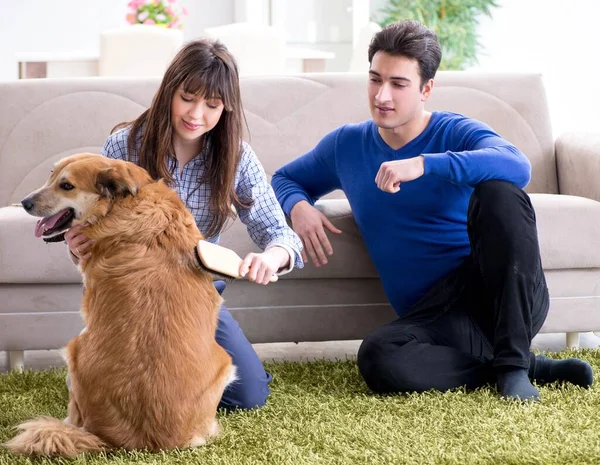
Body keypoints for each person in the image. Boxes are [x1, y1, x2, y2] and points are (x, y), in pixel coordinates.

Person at [271, 20, 593, 401]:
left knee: (500, 194)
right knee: (377, 357)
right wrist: (299, 207)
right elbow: (283, 178)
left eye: (398, 84)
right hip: (434, 317)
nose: (382, 95)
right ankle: (517, 364)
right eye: (375, 79)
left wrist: (424, 163)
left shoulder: (453, 132)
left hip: (498, 295)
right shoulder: (346, 145)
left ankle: (513, 366)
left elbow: (518, 166)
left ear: (426, 89)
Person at [64, 38, 303, 410]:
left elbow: (278, 231)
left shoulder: (236, 156)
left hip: (195, 292)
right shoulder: (121, 146)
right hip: (130, 291)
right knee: (115, 389)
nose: (197, 114)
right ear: (169, 91)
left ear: (226, 108)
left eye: (212, 105)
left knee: (248, 394)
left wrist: (273, 256)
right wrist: (77, 245)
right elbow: (94, 226)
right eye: (188, 97)